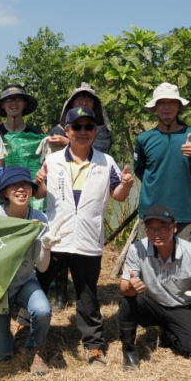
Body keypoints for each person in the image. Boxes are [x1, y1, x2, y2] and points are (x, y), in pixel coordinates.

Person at [35, 106, 133, 366]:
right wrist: (39, 181)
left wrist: (126, 184)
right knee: (40, 286)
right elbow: (39, 194)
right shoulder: (53, 160)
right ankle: (29, 331)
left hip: (88, 240)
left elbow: (118, 195)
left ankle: (94, 345)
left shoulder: (106, 161)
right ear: (66, 130)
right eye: (76, 127)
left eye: (88, 127)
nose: (82, 132)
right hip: (56, 237)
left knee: (88, 295)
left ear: (95, 131)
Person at [118, 205, 191, 370]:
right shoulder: (136, 249)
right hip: (151, 303)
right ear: (146, 230)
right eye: (151, 228)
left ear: (174, 227)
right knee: (127, 302)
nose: (156, 233)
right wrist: (132, 288)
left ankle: (169, 331)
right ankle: (128, 351)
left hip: (180, 307)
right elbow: (124, 287)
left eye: (162, 227)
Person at [0, 167, 53, 375]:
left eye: (26, 185)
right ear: (4, 193)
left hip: (24, 281)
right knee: (3, 356)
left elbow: (41, 267)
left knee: (43, 310)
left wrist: (45, 245)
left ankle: (36, 346)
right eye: (14, 186)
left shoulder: (39, 218)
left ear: (32, 192)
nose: (21, 190)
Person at [134, 83, 191, 243]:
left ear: (179, 107)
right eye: (161, 103)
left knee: (185, 264)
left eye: (172, 102)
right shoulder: (144, 138)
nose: (166, 107)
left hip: (184, 213)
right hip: (151, 212)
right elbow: (140, 171)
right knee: (149, 263)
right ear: (154, 108)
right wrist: (157, 186)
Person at [46, 82, 113, 155]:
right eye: (79, 99)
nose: (84, 103)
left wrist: (68, 143)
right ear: (72, 103)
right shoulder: (58, 130)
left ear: (94, 104)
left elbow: (99, 155)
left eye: (89, 100)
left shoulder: (101, 131)